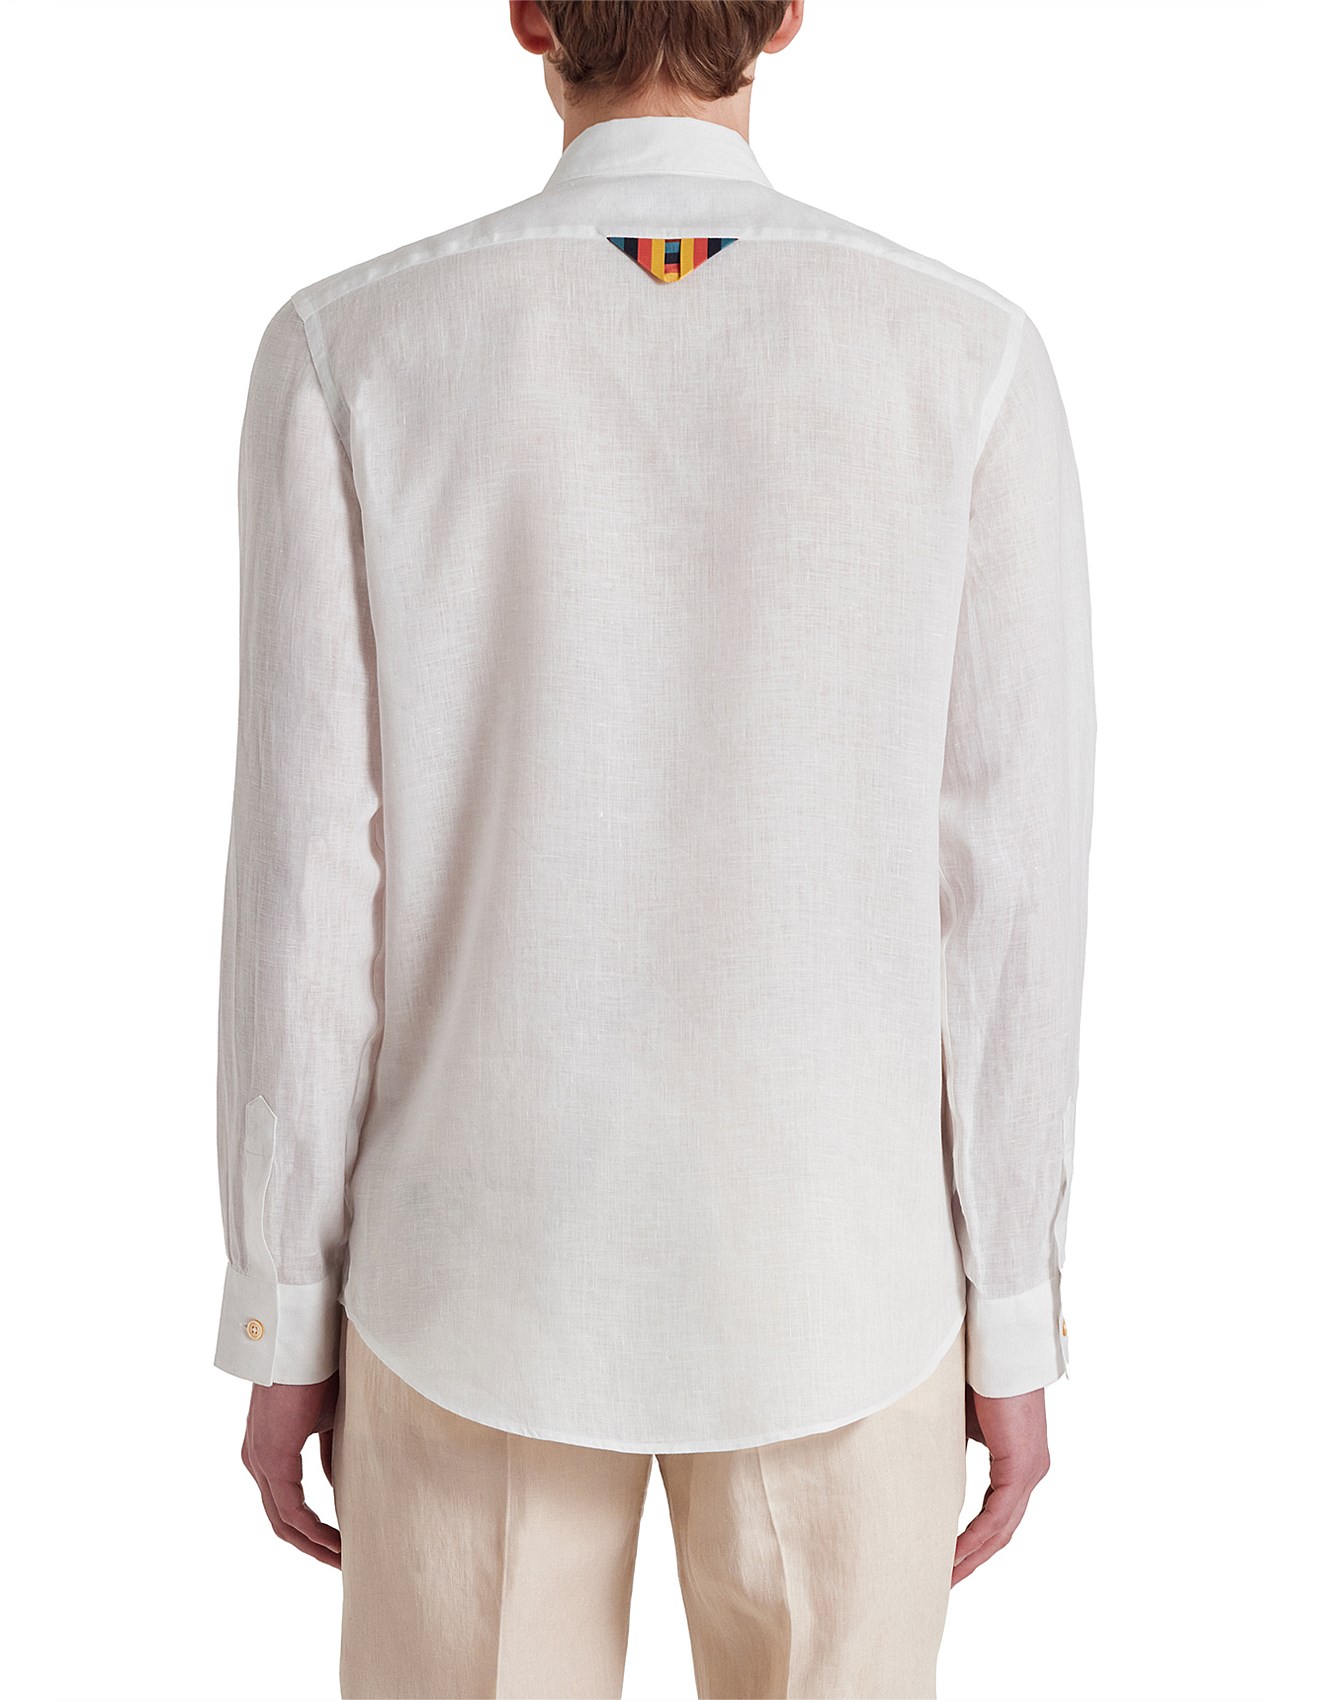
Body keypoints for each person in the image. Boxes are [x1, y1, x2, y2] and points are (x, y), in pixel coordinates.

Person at [212, 3, 1096, 1696]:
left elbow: (309, 882)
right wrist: (1012, 1306)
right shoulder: (965, 357)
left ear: (530, 14)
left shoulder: (350, 350)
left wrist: (280, 1296)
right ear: (787, 14)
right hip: (841, 1275)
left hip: (471, 1269)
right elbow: (1010, 890)